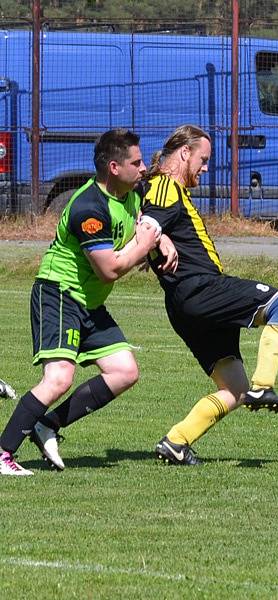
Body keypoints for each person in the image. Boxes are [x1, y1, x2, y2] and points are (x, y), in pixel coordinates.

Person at [0, 128, 177, 476]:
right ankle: (3, 451)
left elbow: (142, 221)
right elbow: (109, 270)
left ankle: (47, 425)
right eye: (136, 162)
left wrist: (162, 238)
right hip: (60, 294)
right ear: (114, 167)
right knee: (58, 378)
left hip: (89, 302)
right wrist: (144, 245)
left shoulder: (133, 190)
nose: (144, 169)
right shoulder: (88, 208)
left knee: (125, 371)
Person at [141, 124, 278, 466]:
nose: (205, 167)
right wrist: (157, 239)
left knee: (234, 389)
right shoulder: (165, 185)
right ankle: (265, 385)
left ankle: (176, 442)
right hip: (199, 288)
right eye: (202, 159)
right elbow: (146, 223)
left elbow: (142, 218)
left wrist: (159, 241)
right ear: (184, 152)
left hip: (184, 302)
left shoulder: (161, 188)